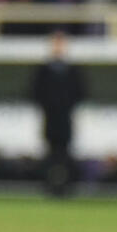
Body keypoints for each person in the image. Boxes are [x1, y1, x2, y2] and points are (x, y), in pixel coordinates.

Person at [29, 30, 86, 198]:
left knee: (65, 155)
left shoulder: (72, 70)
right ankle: (48, 187)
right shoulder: (44, 70)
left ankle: (66, 188)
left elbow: (81, 93)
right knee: (50, 155)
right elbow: (34, 93)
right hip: (50, 119)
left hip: (65, 120)